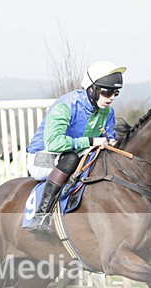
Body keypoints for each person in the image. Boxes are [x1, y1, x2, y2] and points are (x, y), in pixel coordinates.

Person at [24, 61, 126, 234]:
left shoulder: (108, 113)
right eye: (107, 92)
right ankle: (41, 216)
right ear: (92, 89)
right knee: (71, 158)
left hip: (75, 154)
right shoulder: (66, 105)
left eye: (115, 93)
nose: (111, 98)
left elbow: (109, 141)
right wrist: (91, 141)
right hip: (42, 156)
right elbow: (54, 143)